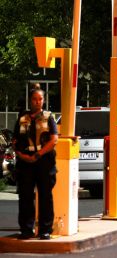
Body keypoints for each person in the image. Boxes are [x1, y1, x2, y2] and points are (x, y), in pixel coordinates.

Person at [12, 86, 58, 240]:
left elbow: (53, 140)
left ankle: (45, 230)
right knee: (25, 197)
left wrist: (38, 155)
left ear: (43, 101)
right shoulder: (22, 118)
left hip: (43, 161)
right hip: (25, 163)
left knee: (45, 197)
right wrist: (22, 155)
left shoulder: (48, 117)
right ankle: (26, 230)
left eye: (40, 99)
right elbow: (15, 141)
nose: (38, 102)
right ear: (30, 100)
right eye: (34, 99)